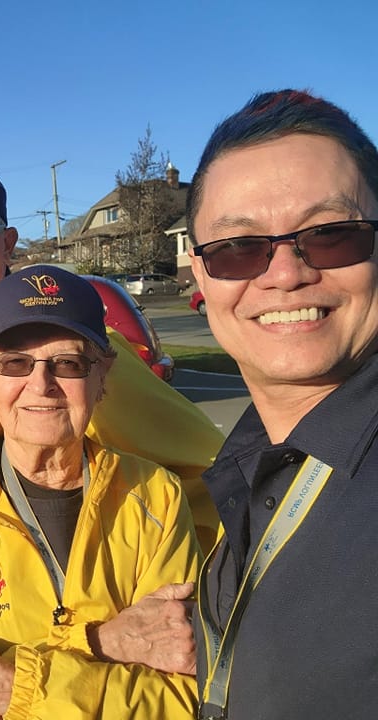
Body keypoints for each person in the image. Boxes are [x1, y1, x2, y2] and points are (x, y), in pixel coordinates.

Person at [0, 265, 201, 719]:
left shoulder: (157, 497)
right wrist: (104, 645)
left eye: (67, 363)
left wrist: (9, 689)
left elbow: (179, 701)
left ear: (101, 377)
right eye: (14, 362)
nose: (41, 385)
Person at [0, 157, 223, 551]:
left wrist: (185, 590)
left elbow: (214, 472)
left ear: (6, 244)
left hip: (42, 600)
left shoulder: (79, 355)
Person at [185, 89, 378, 719]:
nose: (285, 273)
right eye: (238, 247)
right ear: (199, 273)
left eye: (330, 235)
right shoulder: (251, 457)